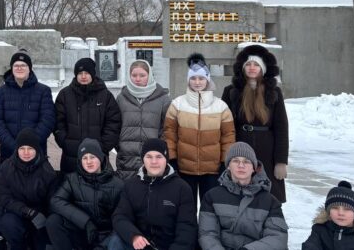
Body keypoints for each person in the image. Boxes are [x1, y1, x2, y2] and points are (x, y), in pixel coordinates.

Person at [164, 53, 235, 205]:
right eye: (193, 78)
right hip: (184, 169)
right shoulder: (177, 104)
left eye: (201, 78)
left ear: (208, 80)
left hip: (212, 170)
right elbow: (170, 134)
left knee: (210, 207)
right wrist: (173, 159)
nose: (197, 82)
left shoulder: (221, 106)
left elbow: (228, 136)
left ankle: (207, 230)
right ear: (188, 80)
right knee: (185, 206)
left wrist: (225, 162)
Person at [221, 44, 289, 203]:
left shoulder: (274, 92)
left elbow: (281, 128)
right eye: (248, 64)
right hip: (239, 148)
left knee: (268, 197)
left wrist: (281, 161)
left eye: (256, 64)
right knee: (238, 194)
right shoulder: (231, 91)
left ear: (263, 68)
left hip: (267, 150)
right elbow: (224, 127)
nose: (252, 68)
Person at [110, 138, 197, 250]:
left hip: (169, 246)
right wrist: (134, 236)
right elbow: (120, 217)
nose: (154, 161)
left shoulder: (182, 188)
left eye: (159, 157)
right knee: (115, 241)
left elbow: (187, 228)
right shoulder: (131, 186)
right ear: (143, 159)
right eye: (149, 157)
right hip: (141, 246)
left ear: (166, 159)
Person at [198, 142, 288, 250]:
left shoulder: (270, 201)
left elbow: (278, 238)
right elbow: (207, 234)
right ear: (228, 166)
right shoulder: (212, 196)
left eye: (246, 161)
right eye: (235, 161)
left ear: (254, 168)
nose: (241, 165)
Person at [48, 138, 124, 250]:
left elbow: (122, 220)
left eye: (92, 157)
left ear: (101, 158)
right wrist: (85, 222)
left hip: (106, 238)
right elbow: (55, 201)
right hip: (83, 232)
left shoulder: (117, 184)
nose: (88, 162)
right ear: (80, 161)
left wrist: (103, 246)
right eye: (84, 158)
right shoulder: (72, 179)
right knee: (54, 221)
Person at [54, 57, 121, 173]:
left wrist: (102, 146)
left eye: (87, 73)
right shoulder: (65, 95)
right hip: (71, 156)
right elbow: (58, 122)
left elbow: (113, 123)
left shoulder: (105, 96)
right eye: (80, 73)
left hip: (98, 156)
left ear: (93, 74)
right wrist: (65, 142)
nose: (83, 76)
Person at [0, 128, 57, 250]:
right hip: (18, 214)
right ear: (17, 150)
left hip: (40, 218)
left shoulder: (47, 171)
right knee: (8, 222)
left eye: (30, 149)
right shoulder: (6, 167)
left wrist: (43, 219)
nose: (26, 152)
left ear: (37, 150)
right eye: (22, 148)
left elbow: (52, 201)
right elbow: (3, 197)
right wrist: (27, 212)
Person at [0, 50, 54, 161]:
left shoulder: (43, 91)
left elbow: (47, 121)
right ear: (11, 68)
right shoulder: (0, 92)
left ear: (29, 68)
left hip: (36, 152)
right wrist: (14, 146)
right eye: (16, 65)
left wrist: (30, 145)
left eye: (23, 65)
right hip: (8, 153)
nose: (19, 68)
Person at [116, 59, 171, 179]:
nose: (137, 79)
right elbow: (115, 125)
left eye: (142, 75)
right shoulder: (121, 98)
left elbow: (167, 128)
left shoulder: (163, 99)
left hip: (153, 157)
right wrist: (120, 146)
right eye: (134, 75)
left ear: (149, 76)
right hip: (126, 159)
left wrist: (159, 146)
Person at [303, 180, 354, 250]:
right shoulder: (320, 230)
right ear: (329, 213)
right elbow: (310, 246)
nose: (341, 213)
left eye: (347, 209)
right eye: (335, 208)